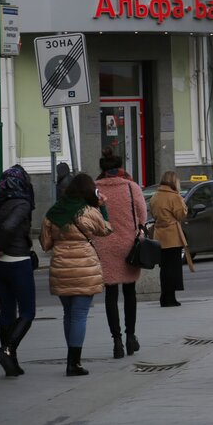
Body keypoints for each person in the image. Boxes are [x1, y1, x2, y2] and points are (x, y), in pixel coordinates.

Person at [41, 173, 112, 376]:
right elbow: (106, 230)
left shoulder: (54, 212)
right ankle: (74, 363)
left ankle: (71, 360)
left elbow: (45, 244)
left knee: (68, 314)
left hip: (61, 266)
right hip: (84, 266)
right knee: (79, 315)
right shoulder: (89, 211)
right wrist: (103, 206)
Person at [95, 151, 147, 360]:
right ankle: (130, 336)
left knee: (110, 294)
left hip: (104, 245)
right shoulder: (130, 187)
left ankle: (116, 341)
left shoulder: (95, 189)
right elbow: (143, 214)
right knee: (130, 293)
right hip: (128, 245)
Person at [0, 165, 37, 377]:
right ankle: (7, 350)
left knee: (7, 311)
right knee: (28, 311)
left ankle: (11, 363)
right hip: (17, 259)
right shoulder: (22, 202)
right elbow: (10, 227)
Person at [150, 171, 193, 308]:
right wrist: (184, 205)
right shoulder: (174, 197)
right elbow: (181, 214)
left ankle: (164, 296)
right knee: (173, 267)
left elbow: (152, 212)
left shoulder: (155, 196)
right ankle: (171, 297)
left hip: (159, 235)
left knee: (164, 268)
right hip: (172, 235)